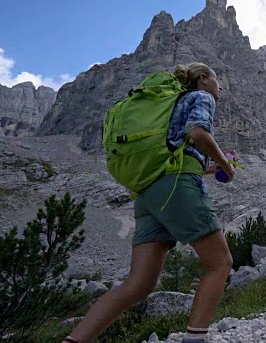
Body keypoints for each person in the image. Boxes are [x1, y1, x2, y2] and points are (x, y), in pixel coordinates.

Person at [63, 63, 235, 343]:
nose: (221, 88)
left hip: (148, 194)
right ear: (203, 79)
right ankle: (196, 339)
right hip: (176, 187)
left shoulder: (170, 104)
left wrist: (208, 167)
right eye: (218, 80)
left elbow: (171, 150)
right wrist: (225, 164)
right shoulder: (200, 97)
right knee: (220, 263)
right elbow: (198, 134)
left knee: (138, 284)